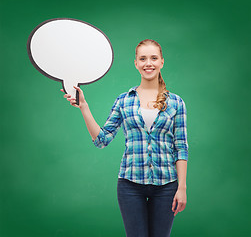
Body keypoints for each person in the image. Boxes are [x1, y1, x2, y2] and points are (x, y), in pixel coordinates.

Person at [61, 39, 189, 237]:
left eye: (154, 58)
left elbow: (180, 147)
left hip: (166, 186)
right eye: (143, 58)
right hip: (130, 186)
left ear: (162, 62)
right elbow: (102, 139)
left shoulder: (176, 102)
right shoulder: (123, 100)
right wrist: (84, 107)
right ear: (136, 63)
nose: (149, 63)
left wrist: (182, 187)